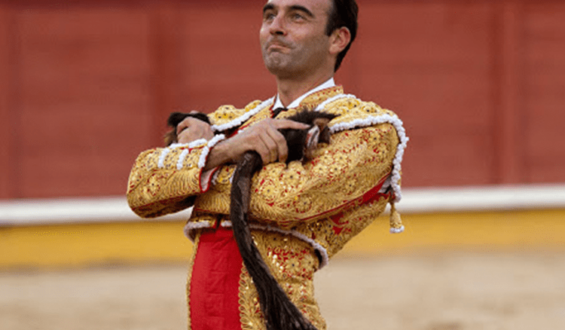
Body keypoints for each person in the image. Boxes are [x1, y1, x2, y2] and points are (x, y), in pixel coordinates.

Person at [126, 0, 408, 329]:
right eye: (269, 15)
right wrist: (225, 151)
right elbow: (141, 190)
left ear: (337, 39)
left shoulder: (368, 130)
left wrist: (198, 166)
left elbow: (281, 200)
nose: (275, 26)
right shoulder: (235, 125)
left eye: (297, 16)